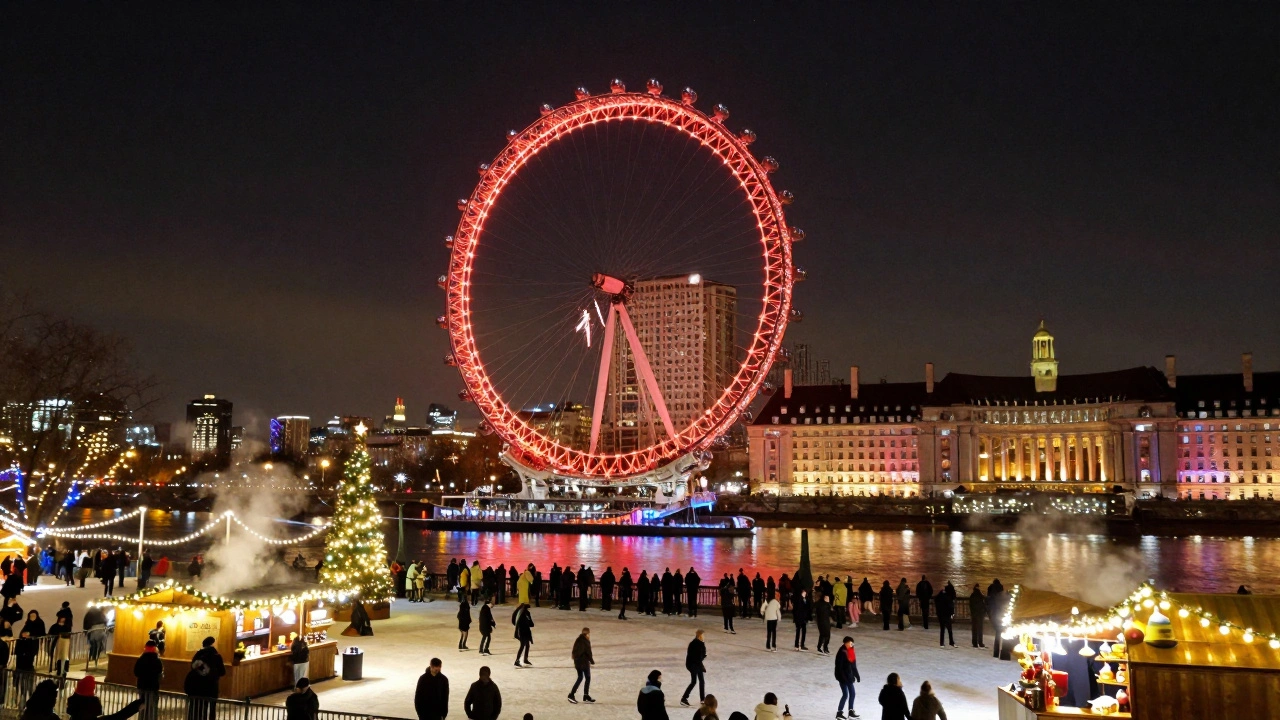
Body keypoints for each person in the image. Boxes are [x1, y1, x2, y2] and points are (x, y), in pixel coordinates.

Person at [183, 636, 225, 720]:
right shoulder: (217, 656)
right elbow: (223, 672)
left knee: (198, 708)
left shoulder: (198, 655)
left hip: (198, 688)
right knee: (211, 709)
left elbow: (193, 669)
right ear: (213, 645)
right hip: (212, 687)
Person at [134, 640, 164, 720]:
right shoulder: (157, 661)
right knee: (152, 707)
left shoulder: (140, 659)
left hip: (142, 686)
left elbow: (136, 672)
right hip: (153, 687)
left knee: (142, 706)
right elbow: (160, 674)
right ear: (155, 648)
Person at [834, 636, 862, 719]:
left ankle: (850, 711)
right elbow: (839, 667)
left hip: (849, 676)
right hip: (843, 677)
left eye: (852, 643)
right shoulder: (842, 652)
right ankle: (839, 713)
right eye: (850, 643)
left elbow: (853, 665)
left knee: (852, 694)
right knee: (845, 694)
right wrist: (843, 678)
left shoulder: (851, 651)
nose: (852, 644)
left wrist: (857, 675)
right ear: (845, 643)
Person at [568, 627, 595, 704]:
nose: (589, 635)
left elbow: (575, 651)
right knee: (581, 677)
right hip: (582, 662)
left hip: (579, 662)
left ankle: (586, 695)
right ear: (586, 634)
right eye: (589, 634)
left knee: (587, 677)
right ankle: (571, 695)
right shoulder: (585, 641)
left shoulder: (578, 639)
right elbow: (588, 652)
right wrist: (592, 661)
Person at [681, 630, 707, 707]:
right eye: (703, 635)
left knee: (701, 681)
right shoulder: (696, 644)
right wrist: (703, 659)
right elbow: (698, 657)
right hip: (693, 665)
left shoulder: (698, 643)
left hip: (696, 664)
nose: (704, 637)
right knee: (694, 681)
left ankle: (702, 699)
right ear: (699, 636)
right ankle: (684, 698)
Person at [14, 629, 37, 702]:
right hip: (20, 666)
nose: (25, 634)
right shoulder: (20, 641)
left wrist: (26, 654)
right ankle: (19, 697)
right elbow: (17, 651)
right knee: (20, 685)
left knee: (29, 685)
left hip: (28, 666)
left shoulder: (32, 642)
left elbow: (33, 652)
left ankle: (29, 698)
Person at [512, 602, 534, 667]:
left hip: (523, 632)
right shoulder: (525, 614)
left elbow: (514, 622)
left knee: (527, 645)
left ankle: (525, 659)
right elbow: (531, 624)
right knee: (522, 646)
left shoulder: (519, 613)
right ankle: (517, 660)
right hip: (523, 632)